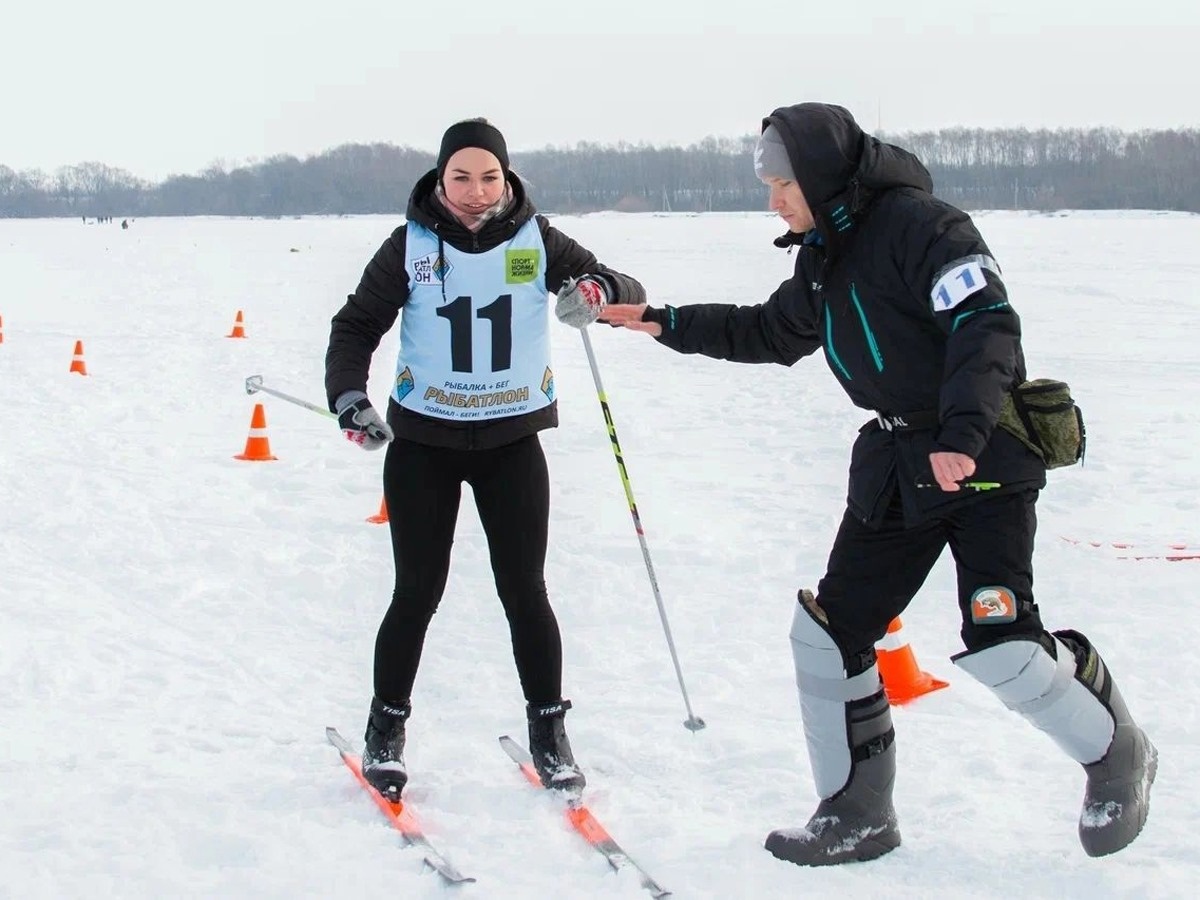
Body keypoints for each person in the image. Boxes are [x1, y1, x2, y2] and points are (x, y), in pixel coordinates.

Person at [583, 102, 1156, 865]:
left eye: (784, 183)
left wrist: (963, 436)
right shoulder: (825, 254)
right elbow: (770, 331)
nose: (774, 200)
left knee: (1003, 645)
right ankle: (857, 813)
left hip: (983, 461)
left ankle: (1119, 755)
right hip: (895, 469)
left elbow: (986, 325)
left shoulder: (928, 227)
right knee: (828, 636)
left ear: (820, 174)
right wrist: (663, 321)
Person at [325, 117, 645, 798]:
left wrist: (596, 292)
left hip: (510, 444)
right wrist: (350, 397)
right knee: (416, 592)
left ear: (507, 178)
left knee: (525, 592)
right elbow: (356, 325)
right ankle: (385, 729)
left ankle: (550, 733)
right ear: (439, 180)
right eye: (460, 177)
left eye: (489, 177)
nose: (475, 192)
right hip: (423, 445)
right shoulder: (407, 246)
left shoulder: (537, 238)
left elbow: (619, 283)